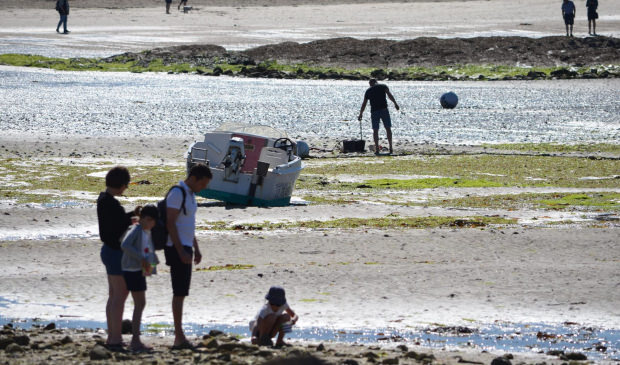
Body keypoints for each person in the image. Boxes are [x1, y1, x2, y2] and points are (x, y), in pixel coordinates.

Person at [164, 163, 212, 349]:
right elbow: (170, 223)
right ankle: (179, 336)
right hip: (176, 248)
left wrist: (196, 248)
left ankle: (180, 335)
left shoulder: (191, 195)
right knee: (179, 292)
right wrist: (180, 250)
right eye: (203, 183)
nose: (204, 187)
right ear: (193, 179)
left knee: (182, 292)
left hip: (186, 246)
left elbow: (188, 225)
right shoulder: (178, 193)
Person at [97, 166, 141, 349]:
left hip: (109, 250)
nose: (125, 189)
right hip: (114, 252)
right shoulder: (111, 203)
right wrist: (133, 219)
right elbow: (119, 225)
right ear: (122, 184)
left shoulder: (104, 199)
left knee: (114, 294)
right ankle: (115, 338)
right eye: (125, 185)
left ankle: (112, 336)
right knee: (120, 295)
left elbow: (118, 221)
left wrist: (131, 216)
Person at [120, 205, 160, 352]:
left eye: (153, 221)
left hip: (138, 269)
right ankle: (135, 340)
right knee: (140, 303)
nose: (151, 223)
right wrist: (141, 258)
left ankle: (135, 339)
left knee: (140, 303)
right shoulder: (137, 229)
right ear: (144, 218)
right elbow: (125, 244)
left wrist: (152, 263)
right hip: (132, 269)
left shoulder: (145, 230)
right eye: (149, 220)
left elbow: (147, 248)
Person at [357, 78, 400, 155]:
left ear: (371, 83)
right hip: (384, 110)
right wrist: (395, 103)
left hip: (374, 111)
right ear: (376, 82)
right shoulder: (383, 86)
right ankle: (390, 148)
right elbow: (390, 95)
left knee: (375, 130)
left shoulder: (368, 91)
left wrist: (361, 114)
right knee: (388, 128)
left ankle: (377, 149)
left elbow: (364, 104)